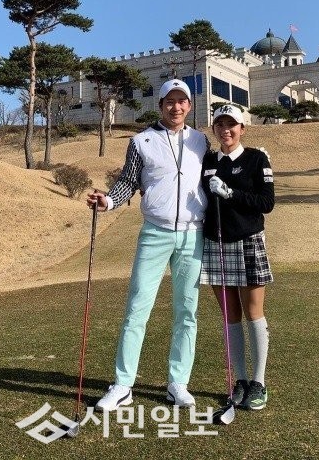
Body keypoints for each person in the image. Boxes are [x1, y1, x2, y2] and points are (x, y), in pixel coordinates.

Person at [86, 79, 210, 411]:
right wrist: (109, 201)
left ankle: (178, 383)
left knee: (187, 312)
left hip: (193, 234)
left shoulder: (201, 141)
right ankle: (123, 384)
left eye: (182, 101)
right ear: (160, 105)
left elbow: (211, 180)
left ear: (189, 105)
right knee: (137, 309)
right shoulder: (141, 141)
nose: (176, 107)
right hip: (155, 233)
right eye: (170, 101)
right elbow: (129, 180)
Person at [201, 104, 274, 411]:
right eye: (220, 125)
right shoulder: (208, 160)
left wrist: (230, 193)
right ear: (214, 129)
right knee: (230, 316)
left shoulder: (257, 158)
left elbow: (267, 202)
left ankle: (258, 382)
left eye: (231, 125)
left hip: (248, 240)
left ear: (242, 128)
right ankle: (240, 380)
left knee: (253, 312)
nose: (225, 130)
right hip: (216, 242)